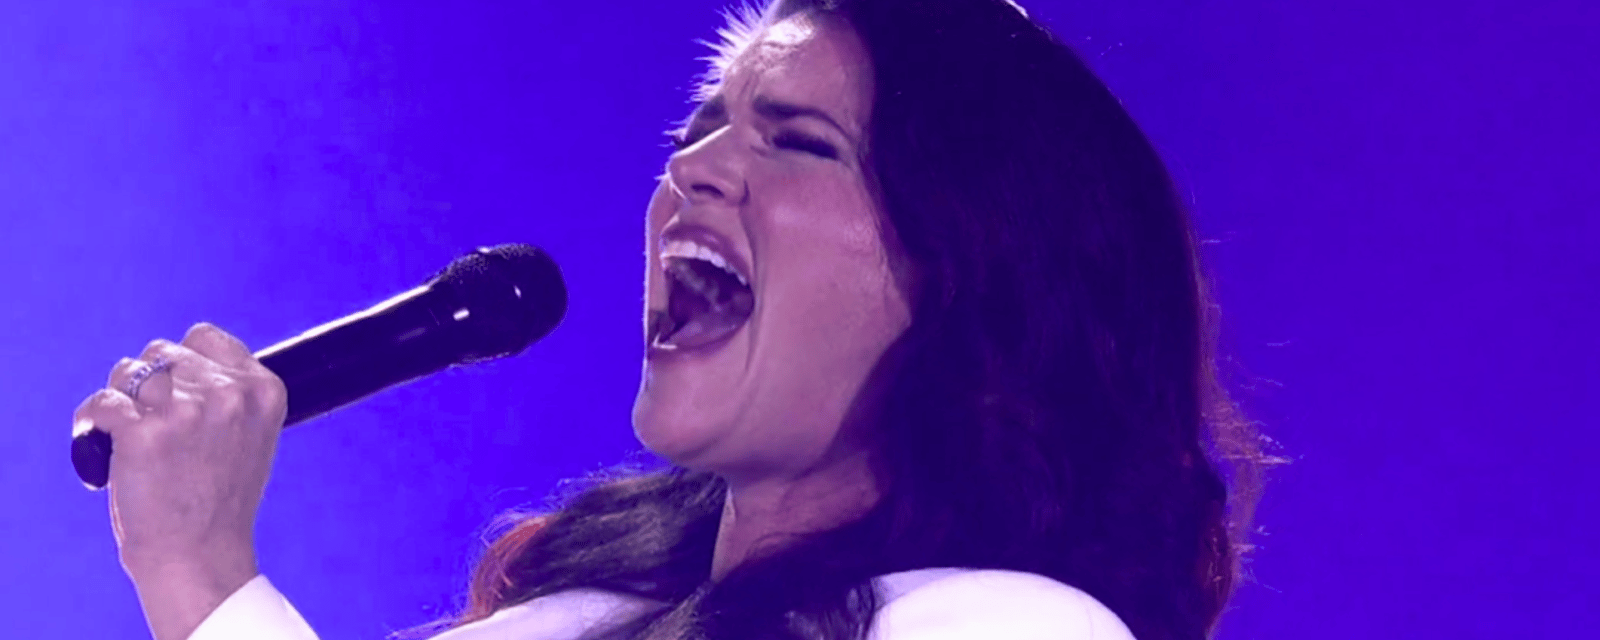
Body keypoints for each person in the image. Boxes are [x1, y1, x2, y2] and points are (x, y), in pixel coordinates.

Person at [72, 0, 1277, 639]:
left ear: (971, 279)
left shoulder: (1015, 628)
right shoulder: (571, 614)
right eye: (700, 125)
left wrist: (205, 575)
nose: (692, 173)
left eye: (798, 142)